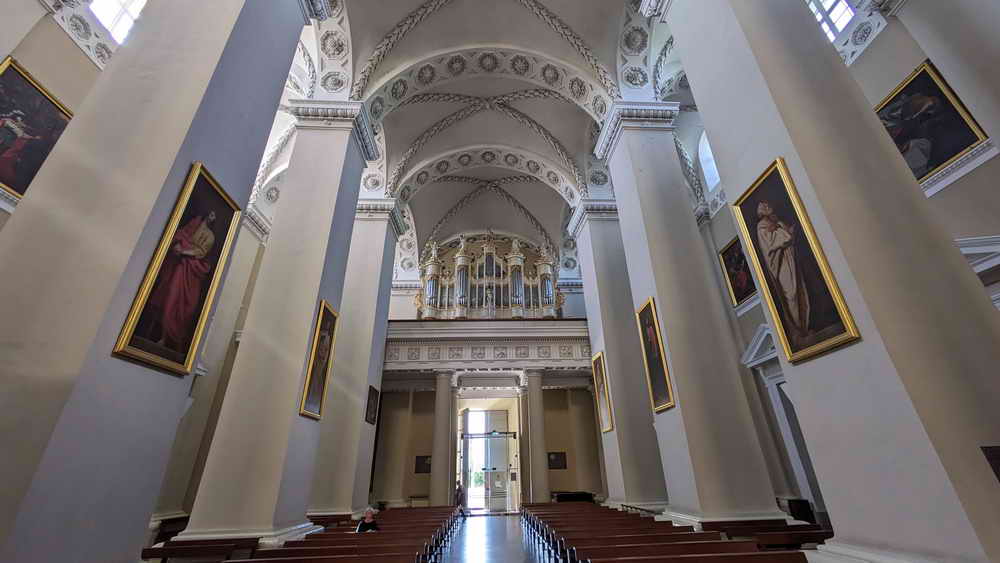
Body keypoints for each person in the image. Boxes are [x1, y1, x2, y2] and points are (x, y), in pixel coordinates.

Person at [140, 211, 218, 352]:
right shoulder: (194, 223)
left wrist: (184, 251)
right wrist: (177, 244)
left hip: (191, 270)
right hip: (179, 266)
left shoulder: (210, 236)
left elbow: (201, 252)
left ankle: (167, 338)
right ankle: (158, 335)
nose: (212, 217)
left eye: (214, 216)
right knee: (169, 297)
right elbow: (181, 234)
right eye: (211, 214)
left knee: (184, 305)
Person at [755, 200, 810, 344]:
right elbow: (771, 244)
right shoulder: (761, 227)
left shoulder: (776, 221)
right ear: (761, 210)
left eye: (768, 204)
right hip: (780, 264)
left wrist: (783, 229)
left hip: (789, 258)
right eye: (765, 206)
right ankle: (797, 329)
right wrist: (785, 232)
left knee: (799, 290)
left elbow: (786, 235)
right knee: (790, 293)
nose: (769, 207)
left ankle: (804, 327)